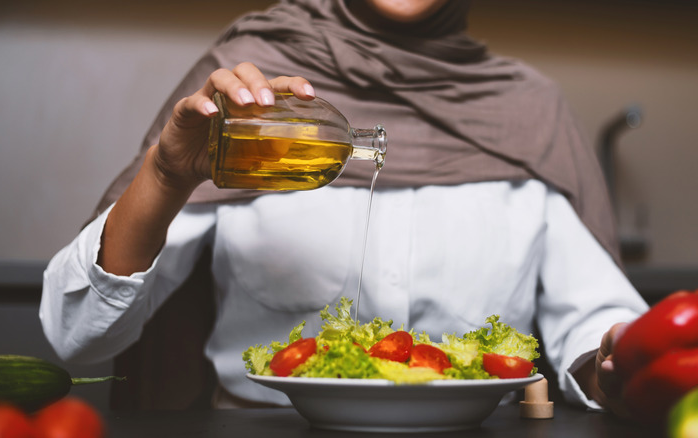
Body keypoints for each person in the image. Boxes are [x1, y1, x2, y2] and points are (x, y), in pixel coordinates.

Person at [39, 0, 648, 415]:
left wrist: (619, 362)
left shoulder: (529, 110)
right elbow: (79, 335)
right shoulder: (248, 100)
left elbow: (597, 330)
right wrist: (167, 175)